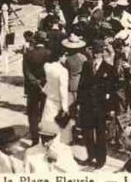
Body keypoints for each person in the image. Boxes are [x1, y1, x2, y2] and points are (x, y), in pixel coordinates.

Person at [77, 40, 116, 168]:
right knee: (87, 133)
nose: (95, 55)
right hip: (87, 105)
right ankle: (90, 156)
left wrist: (111, 108)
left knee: (100, 134)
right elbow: (81, 86)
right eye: (94, 52)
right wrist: (79, 102)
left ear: (102, 53)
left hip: (101, 106)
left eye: (98, 52)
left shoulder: (109, 69)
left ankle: (100, 160)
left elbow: (111, 90)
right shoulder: (86, 66)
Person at [42, 43, 71, 142]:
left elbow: (47, 83)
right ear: (60, 57)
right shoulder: (63, 71)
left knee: (48, 127)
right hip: (58, 103)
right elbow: (63, 90)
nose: (65, 58)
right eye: (65, 56)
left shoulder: (47, 67)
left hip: (49, 100)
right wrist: (65, 108)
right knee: (60, 129)